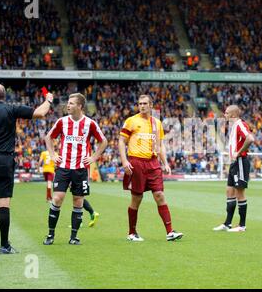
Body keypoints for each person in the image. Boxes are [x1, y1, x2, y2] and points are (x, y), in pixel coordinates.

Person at [0, 83, 54, 254]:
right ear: (3, 96)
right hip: (4, 160)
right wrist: (48, 100)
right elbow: (41, 113)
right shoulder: (11, 109)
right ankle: (4, 245)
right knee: (3, 202)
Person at [43, 93, 107, 245]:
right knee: (57, 198)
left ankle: (73, 237)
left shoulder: (90, 124)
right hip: (63, 168)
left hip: (80, 169)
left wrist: (93, 158)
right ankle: (50, 235)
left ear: (80, 106)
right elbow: (48, 137)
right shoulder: (62, 121)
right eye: (68, 103)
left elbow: (103, 141)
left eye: (71, 103)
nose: (68, 105)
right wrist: (52, 154)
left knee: (78, 201)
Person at [119, 94, 183, 242]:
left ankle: (170, 232)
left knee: (159, 195)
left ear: (151, 105)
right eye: (140, 103)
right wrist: (124, 161)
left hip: (153, 163)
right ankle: (132, 233)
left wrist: (165, 162)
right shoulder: (131, 121)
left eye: (145, 103)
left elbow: (160, 145)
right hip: (137, 162)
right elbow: (122, 141)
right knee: (137, 198)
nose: (142, 106)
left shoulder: (157, 123)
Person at [213, 105, 255, 232]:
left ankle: (242, 226)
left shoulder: (239, 124)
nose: (224, 115)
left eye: (226, 113)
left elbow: (250, 138)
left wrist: (238, 152)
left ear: (232, 115)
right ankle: (227, 223)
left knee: (239, 193)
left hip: (241, 161)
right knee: (229, 191)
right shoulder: (234, 126)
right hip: (234, 163)